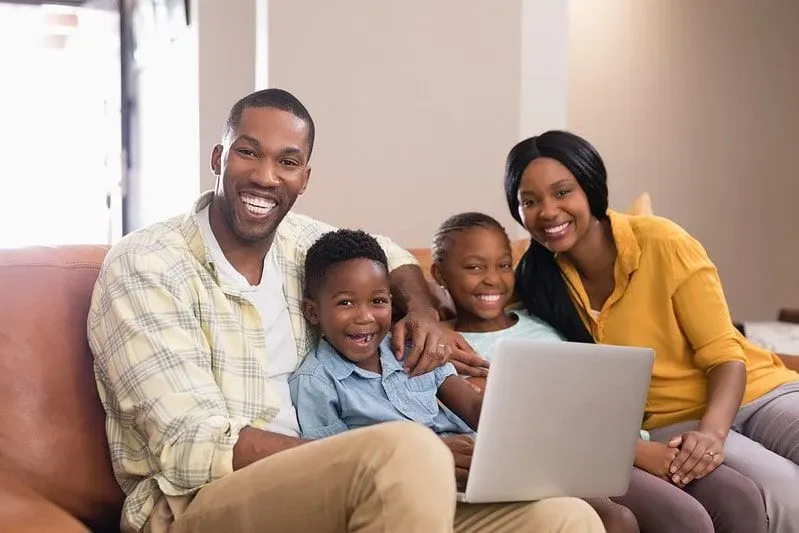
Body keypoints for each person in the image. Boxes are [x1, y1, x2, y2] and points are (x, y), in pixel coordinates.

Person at [87, 88, 602, 533]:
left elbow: (393, 257)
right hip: (203, 502)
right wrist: (380, 457)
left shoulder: (299, 241)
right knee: (409, 451)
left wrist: (421, 312)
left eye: (287, 161)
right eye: (249, 153)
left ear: (305, 176)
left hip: (346, 483)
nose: (266, 176)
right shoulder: (147, 264)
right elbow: (189, 444)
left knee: (566, 517)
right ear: (218, 158)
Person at [504, 130, 796, 533]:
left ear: (590, 187)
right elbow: (478, 307)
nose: (549, 212)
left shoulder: (661, 240)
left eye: (562, 192)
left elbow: (725, 355)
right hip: (672, 419)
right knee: (786, 495)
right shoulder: (535, 280)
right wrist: (429, 318)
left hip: (757, 390)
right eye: (530, 202)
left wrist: (713, 434)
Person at [430, 211, 768, 533]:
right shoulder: (441, 345)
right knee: (685, 519)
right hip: (573, 456)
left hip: (626, 438)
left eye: (504, 265)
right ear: (439, 274)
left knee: (742, 497)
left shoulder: (542, 322)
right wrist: (637, 451)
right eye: (474, 267)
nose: (493, 278)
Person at [289, 227, 604, 532]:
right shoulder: (317, 382)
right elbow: (336, 470)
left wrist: (517, 402)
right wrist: (433, 457)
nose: (365, 317)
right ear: (313, 312)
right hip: (413, 495)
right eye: (346, 302)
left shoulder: (412, 346)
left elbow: (471, 406)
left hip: (481, 472)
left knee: (593, 513)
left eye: (378, 301)